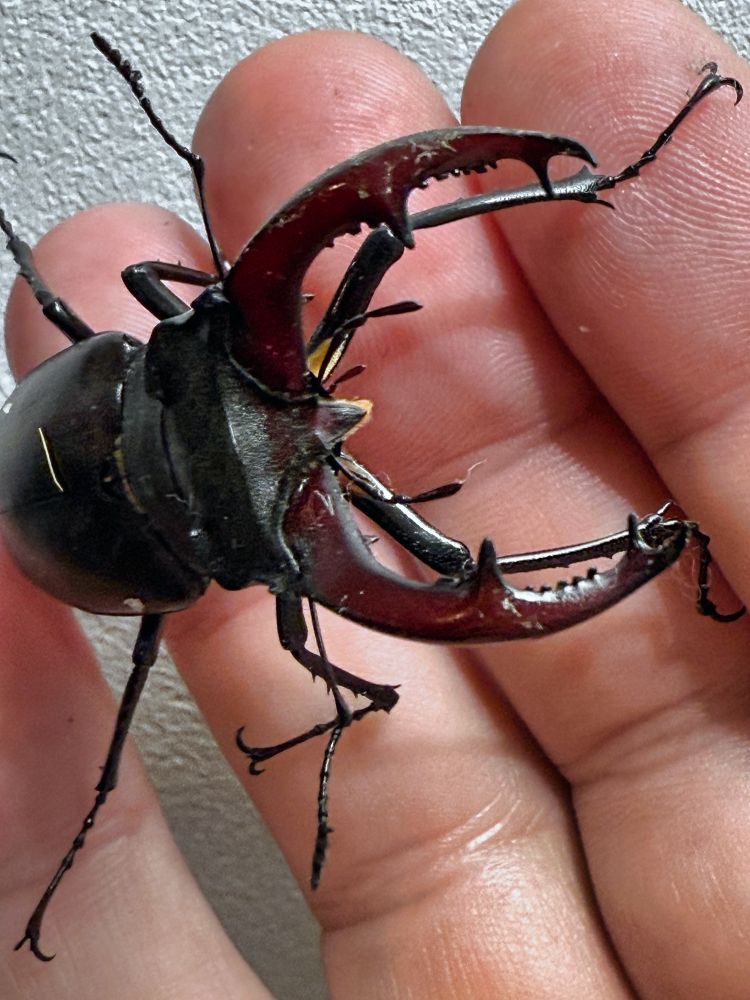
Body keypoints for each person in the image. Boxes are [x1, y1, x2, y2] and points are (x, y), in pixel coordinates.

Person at [1, 0, 748, 995]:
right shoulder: (205, 381)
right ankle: (602, 196)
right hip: (135, 459)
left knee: (378, 257)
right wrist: (226, 297)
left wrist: (227, 301)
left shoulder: (220, 419)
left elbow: (141, 276)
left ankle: (603, 186)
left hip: (162, 438)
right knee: (428, 556)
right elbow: (148, 280)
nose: (307, 424)